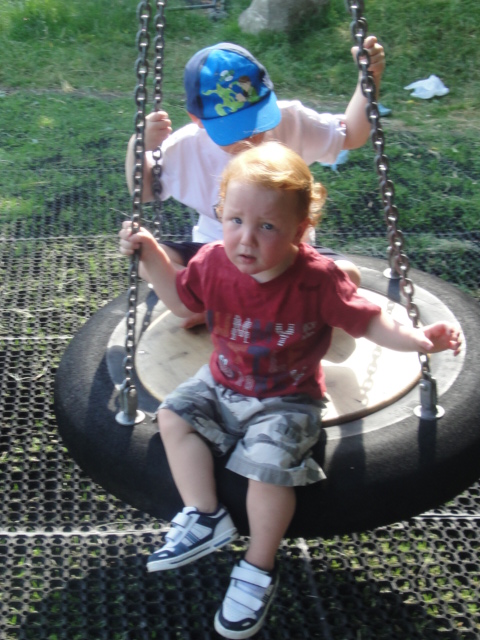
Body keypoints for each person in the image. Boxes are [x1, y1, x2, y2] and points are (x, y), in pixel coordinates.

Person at [118, 141, 461, 639]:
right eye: (235, 220)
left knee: (269, 470)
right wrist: (150, 252)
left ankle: (258, 566)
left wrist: (417, 339)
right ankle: (206, 515)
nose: (246, 239)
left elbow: (371, 322)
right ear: (221, 214)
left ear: (300, 231)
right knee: (173, 416)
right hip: (221, 378)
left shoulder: (317, 280)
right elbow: (180, 300)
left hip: (287, 397)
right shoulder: (213, 261)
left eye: (267, 227)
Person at [124, 37, 386, 322]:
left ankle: (229, 304)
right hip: (216, 251)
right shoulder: (185, 148)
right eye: (235, 129)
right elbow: (144, 190)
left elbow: (351, 135)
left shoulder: (289, 121)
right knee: (151, 257)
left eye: (256, 121)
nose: (250, 136)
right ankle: (262, 302)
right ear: (198, 120)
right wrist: (138, 145)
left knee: (347, 276)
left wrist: (368, 77)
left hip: (286, 253)